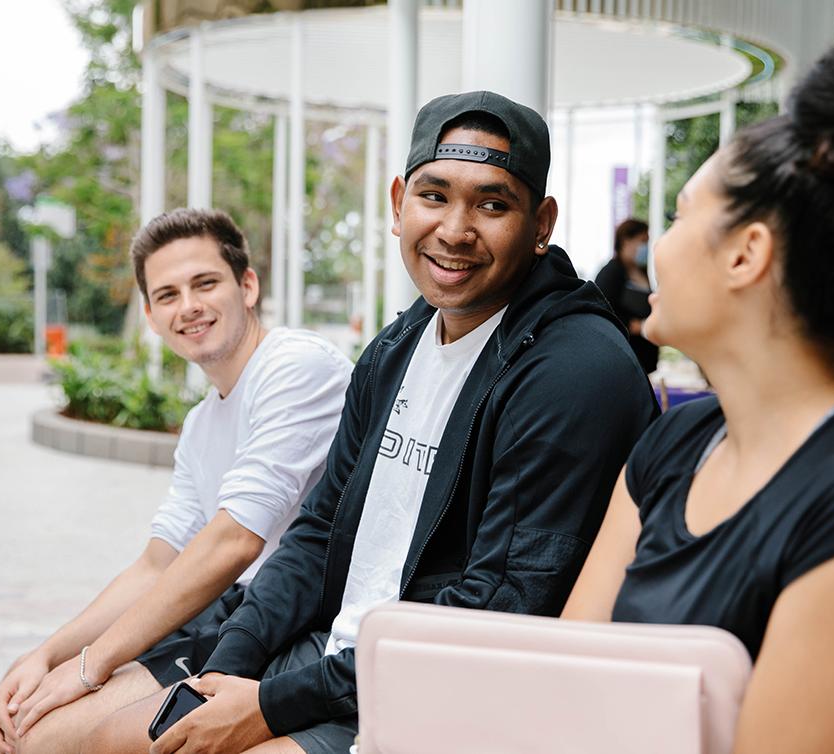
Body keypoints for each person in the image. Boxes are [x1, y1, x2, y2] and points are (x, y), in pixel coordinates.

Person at [82, 90, 658, 754]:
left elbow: (496, 609)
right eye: (434, 196)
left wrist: (267, 706)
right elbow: (320, 529)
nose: (455, 229)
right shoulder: (399, 344)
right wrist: (227, 669)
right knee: (98, 742)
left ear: (541, 222)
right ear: (397, 204)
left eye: (493, 204)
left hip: (443, 700)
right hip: (334, 657)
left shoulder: (574, 369)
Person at [563, 19, 834, 754]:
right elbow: (566, 679)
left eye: (682, 213)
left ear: (747, 254)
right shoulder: (675, 443)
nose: (659, 243)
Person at [0, 208, 353, 754]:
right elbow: (157, 563)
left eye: (205, 283)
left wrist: (90, 667)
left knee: (43, 738)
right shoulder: (203, 422)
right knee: (16, 724)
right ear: (152, 316)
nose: (190, 307)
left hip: (294, 626)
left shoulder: (296, 367)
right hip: (229, 610)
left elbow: (234, 539)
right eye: (169, 295)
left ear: (247, 286)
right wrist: (47, 654)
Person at [594, 218, 659, 376]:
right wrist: (633, 325)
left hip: (644, 361)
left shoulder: (642, 272)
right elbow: (601, 311)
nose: (646, 247)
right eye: (642, 241)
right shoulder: (611, 272)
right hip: (620, 358)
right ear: (626, 241)